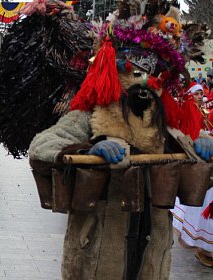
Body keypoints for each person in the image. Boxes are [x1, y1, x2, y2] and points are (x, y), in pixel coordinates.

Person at [28, 4, 213, 279]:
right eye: (133, 70)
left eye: (152, 73)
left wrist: (202, 143)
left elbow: (188, 151)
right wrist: (89, 149)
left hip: (151, 247)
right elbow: (41, 147)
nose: (143, 80)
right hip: (98, 249)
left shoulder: (163, 124)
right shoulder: (90, 115)